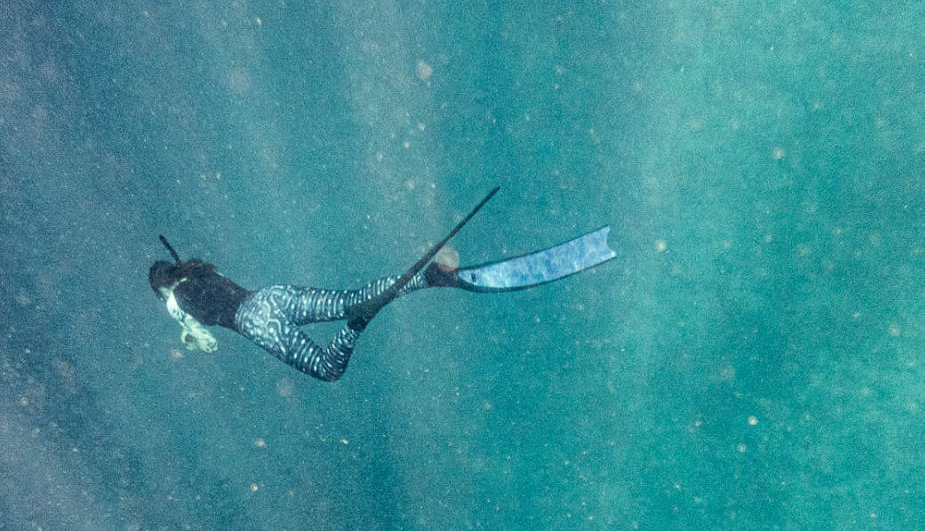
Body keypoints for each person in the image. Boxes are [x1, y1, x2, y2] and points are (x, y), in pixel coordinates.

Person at [149, 190, 616, 382]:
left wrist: (189, 336)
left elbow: (206, 343)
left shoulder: (175, 301)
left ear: (160, 290)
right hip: (270, 296)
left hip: (254, 321)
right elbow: (213, 287)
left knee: (330, 367)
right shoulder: (195, 270)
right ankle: (428, 277)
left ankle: (359, 325)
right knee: (354, 295)